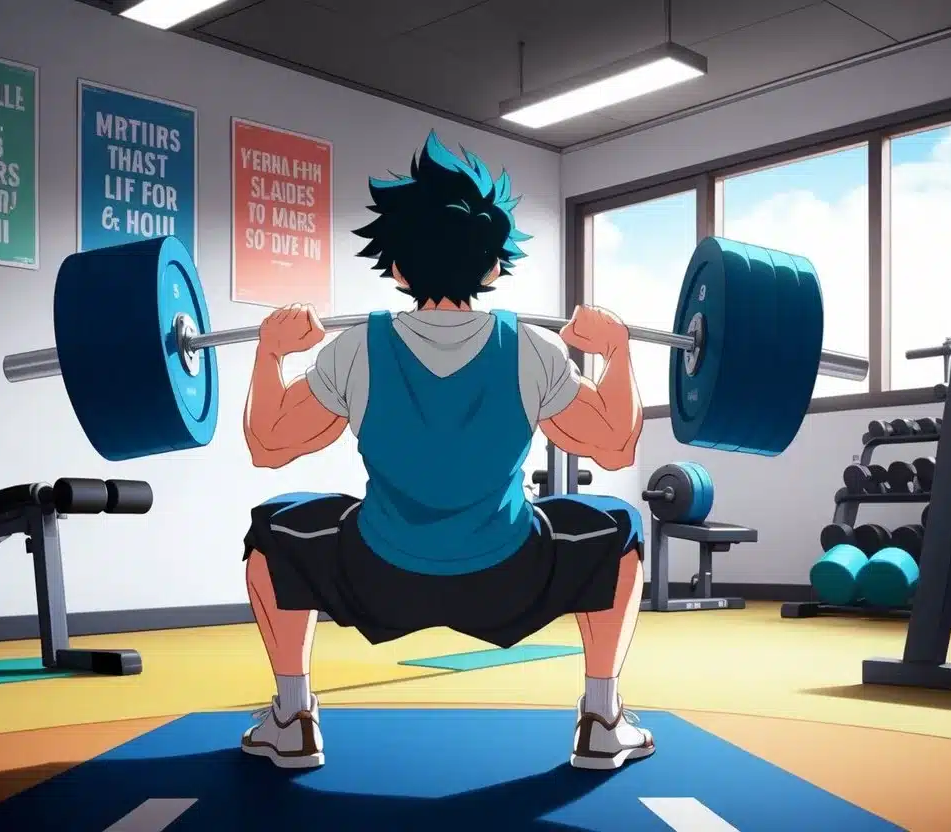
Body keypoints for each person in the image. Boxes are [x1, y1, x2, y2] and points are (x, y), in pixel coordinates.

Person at [239, 131, 648, 772]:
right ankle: (602, 719)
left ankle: (291, 719)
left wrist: (271, 353)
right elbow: (616, 445)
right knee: (619, 530)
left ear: (397, 268)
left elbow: (268, 444)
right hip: (507, 576)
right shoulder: (532, 349)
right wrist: (616, 352)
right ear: (492, 268)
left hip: (379, 574)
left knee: (272, 530)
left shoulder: (354, 350)